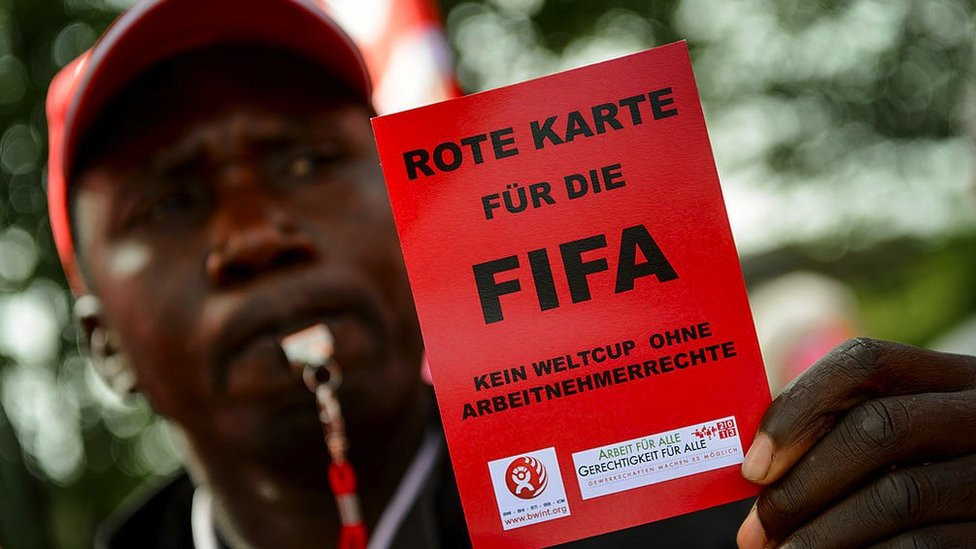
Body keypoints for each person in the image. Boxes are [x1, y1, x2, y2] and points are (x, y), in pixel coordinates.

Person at [45, 0, 976, 547]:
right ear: (106, 346)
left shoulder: (727, 523)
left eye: (304, 163)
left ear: (416, 228)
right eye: (170, 201)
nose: (255, 233)